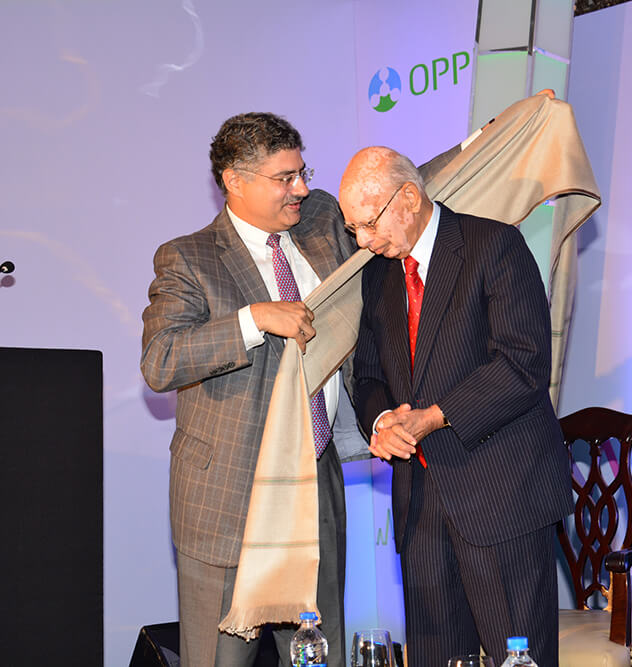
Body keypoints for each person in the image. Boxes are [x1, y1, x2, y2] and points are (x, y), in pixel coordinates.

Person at [141, 112, 369, 667]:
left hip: (315, 479)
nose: (302, 189)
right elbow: (161, 360)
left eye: (302, 172)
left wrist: (492, 135)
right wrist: (253, 319)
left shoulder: (321, 219)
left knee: (319, 657)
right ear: (234, 181)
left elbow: (408, 185)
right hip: (227, 495)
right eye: (284, 178)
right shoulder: (189, 257)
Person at [338, 146, 572, 667]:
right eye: (353, 229)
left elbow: (523, 363)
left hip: (501, 497)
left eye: (369, 224)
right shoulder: (378, 276)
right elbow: (368, 374)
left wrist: (434, 416)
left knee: (519, 659)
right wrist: (382, 421)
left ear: (409, 198)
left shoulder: (493, 245)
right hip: (420, 505)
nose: (364, 241)